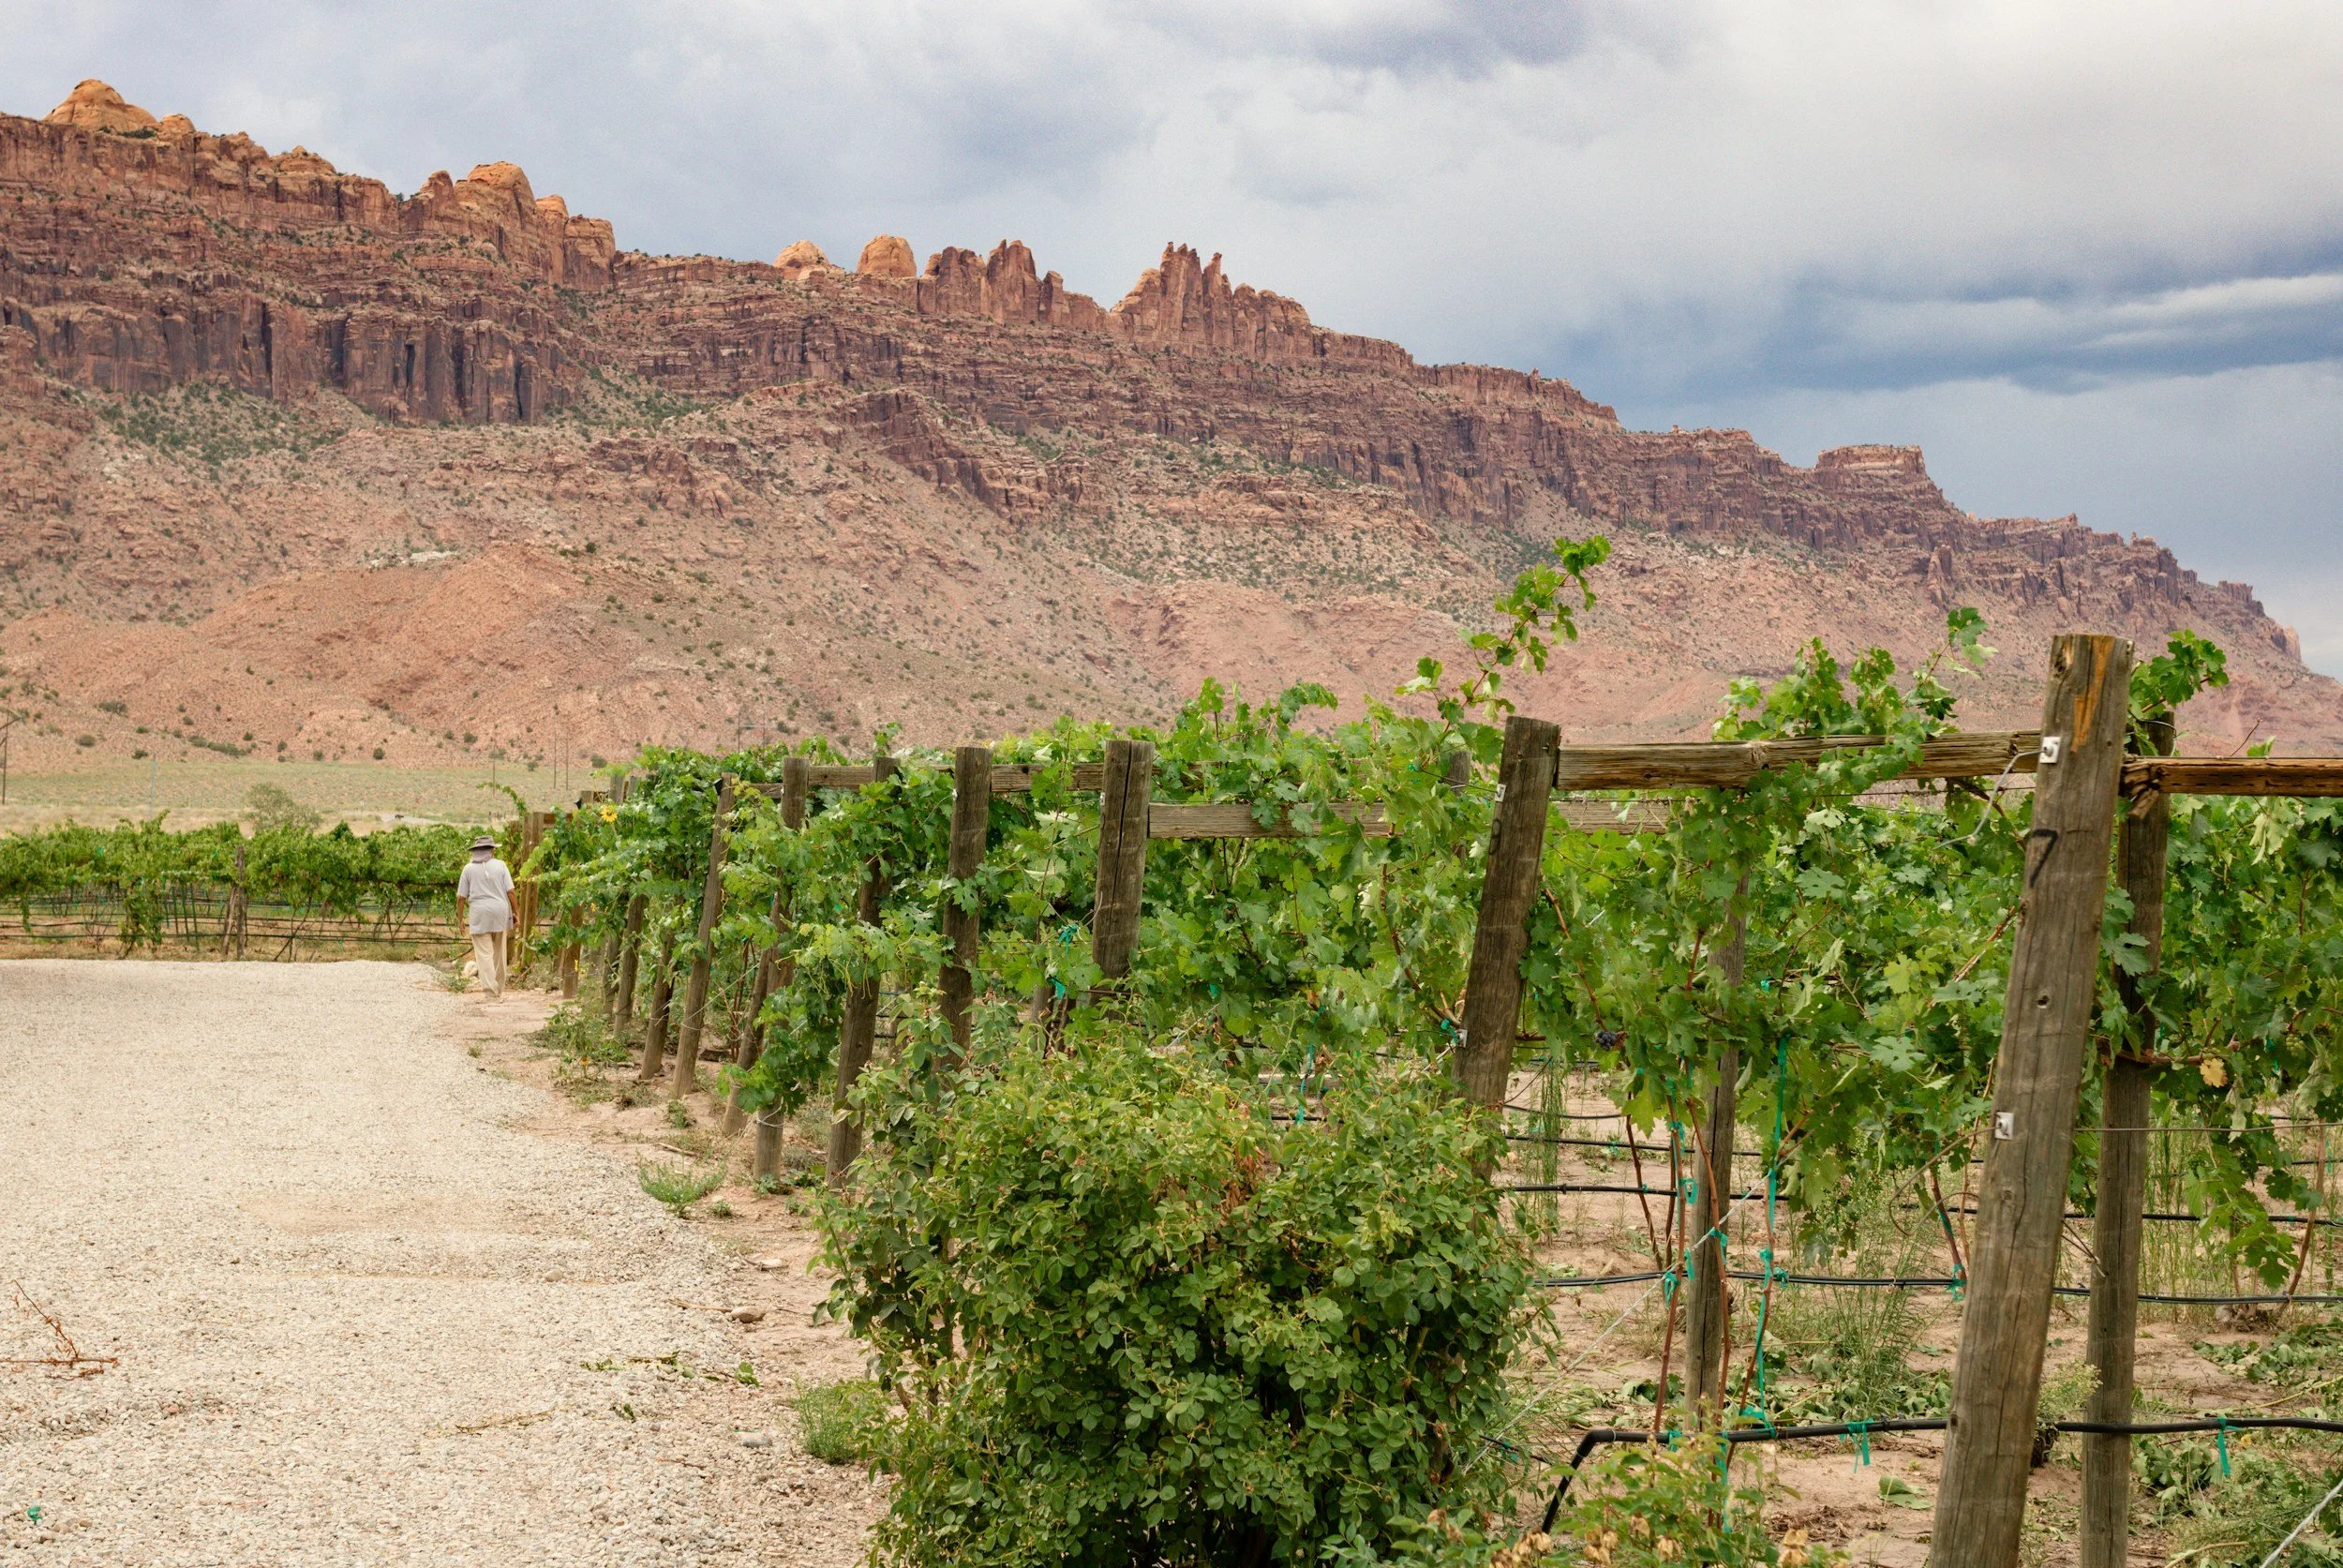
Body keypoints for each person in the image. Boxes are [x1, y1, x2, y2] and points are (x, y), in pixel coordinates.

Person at [455, 834, 515, 999]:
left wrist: (460, 919)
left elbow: (461, 897)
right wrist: (516, 913)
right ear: (492, 851)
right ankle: (500, 988)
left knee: (484, 954)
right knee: (499, 953)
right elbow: (511, 892)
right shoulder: (501, 866)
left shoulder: (468, 869)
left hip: (479, 914)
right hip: (500, 912)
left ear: (475, 851)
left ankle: (490, 991)